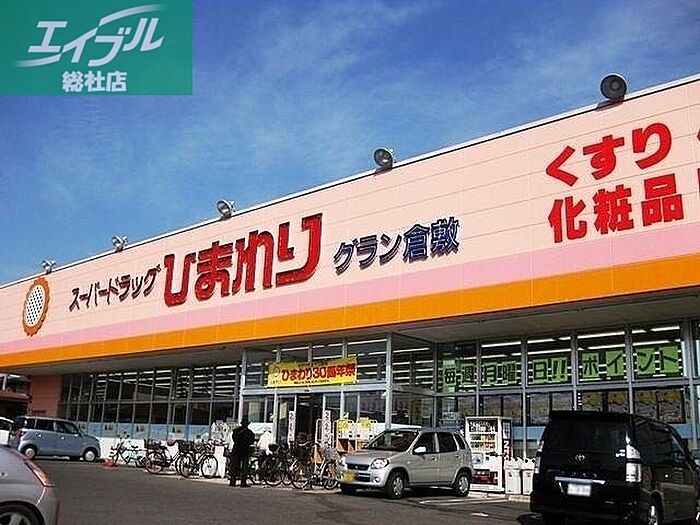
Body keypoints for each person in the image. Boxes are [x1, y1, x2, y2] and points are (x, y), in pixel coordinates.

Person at [228, 417, 255, 487]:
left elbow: (233, 438)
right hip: (245, 451)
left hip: (236, 449)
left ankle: (232, 481)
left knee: (234, 466)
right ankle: (243, 482)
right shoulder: (249, 432)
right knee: (244, 467)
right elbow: (252, 441)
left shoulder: (236, 431)